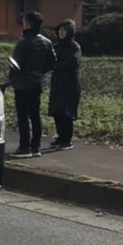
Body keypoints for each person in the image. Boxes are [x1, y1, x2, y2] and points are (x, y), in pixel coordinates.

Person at [7, 10, 56, 157]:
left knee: (22, 115)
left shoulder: (23, 43)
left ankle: (24, 147)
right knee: (35, 115)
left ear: (27, 23)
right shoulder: (47, 42)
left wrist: (11, 81)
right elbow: (53, 62)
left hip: (22, 84)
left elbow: (15, 65)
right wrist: (41, 72)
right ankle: (36, 147)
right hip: (36, 83)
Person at [48, 20, 82, 149]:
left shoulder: (74, 47)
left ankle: (67, 139)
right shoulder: (56, 47)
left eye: (64, 30)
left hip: (70, 83)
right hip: (57, 82)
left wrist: (58, 65)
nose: (61, 33)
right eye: (60, 30)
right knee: (56, 110)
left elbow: (74, 62)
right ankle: (60, 136)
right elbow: (50, 61)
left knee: (66, 111)